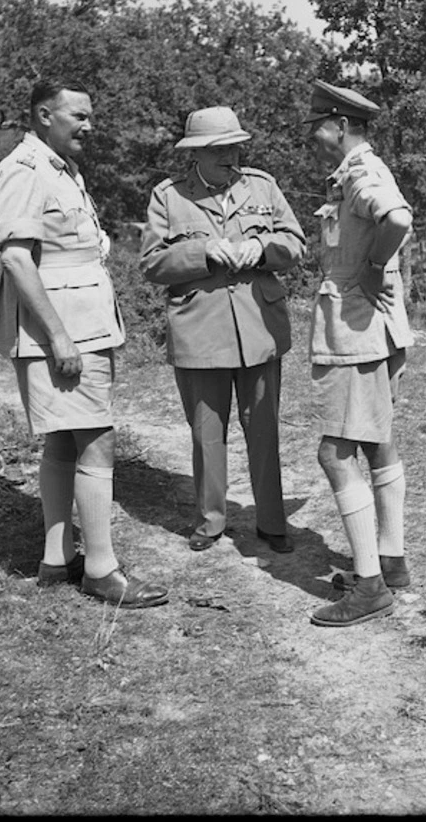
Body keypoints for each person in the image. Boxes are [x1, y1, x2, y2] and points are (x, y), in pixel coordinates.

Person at [0, 78, 169, 609]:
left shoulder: (61, 170)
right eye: (79, 116)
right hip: (63, 330)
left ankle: (54, 559)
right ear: (45, 115)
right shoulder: (23, 170)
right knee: (96, 437)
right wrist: (59, 338)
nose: (89, 125)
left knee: (65, 439)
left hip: (81, 322)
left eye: (90, 116)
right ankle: (102, 570)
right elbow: (17, 259)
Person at [140, 105, 306, 552]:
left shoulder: (263, 186)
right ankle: (211, 521)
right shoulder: (169, 196)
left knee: (265, 430)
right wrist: (203, 252)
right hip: (201, 331)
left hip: (260, 329)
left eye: (236, 146)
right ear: (196, 154)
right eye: (221, 149)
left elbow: (295, 242)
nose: (232, 156)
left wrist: (261, 246)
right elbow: (152, 263)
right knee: (207, 434)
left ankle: (272, 522)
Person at [302, 79, 414, 628]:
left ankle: (369, 586)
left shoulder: (364, 173)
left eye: (318, 127)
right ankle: (390, 561)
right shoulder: (356, 172)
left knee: (336, 452)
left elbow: (397, 218)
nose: (315, 138)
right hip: (375, 326)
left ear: (340, 126)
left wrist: (371, 266)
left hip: (356, 328)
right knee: (377, 440)